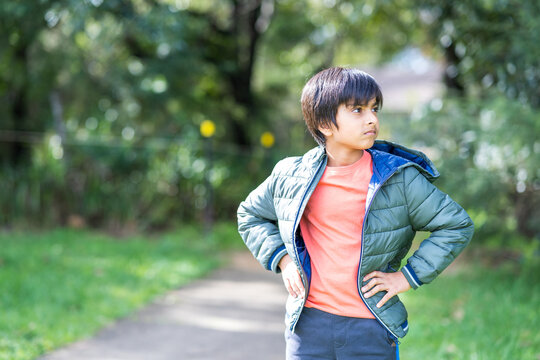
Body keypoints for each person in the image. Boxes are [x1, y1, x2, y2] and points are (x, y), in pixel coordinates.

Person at [237, 67, 474, 360]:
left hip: (370, 327)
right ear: (325, 123)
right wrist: (283, 260)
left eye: (375, 108)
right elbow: (250, 214)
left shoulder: (398, 178)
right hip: (307, 326)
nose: (372, 118)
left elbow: (456, 224)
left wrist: (407, 277)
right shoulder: (291, 174)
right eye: (358, 110)